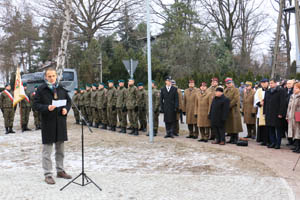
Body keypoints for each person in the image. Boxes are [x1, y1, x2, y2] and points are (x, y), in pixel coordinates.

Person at [33, 68, 72, 185]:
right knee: (47, 151)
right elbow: (35, 105)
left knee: (60, 150)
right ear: (45, 77)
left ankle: (60, 170)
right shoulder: (41, 90)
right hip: (48, 122)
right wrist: (46, 108)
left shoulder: (61, 88)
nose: (52, 78)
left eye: (54, 75)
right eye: (49, 76)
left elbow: (68, 102)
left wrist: (66, 109)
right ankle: (48, 174)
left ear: (56, 76)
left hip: (60, 122)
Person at [264, 79, 287, 149]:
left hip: (277, 113)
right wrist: (264, 112)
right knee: (270, 128)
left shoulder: (280, 91)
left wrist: (281, 113)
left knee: (278, 129)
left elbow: (283, 103)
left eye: (272, 83)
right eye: (270, 83)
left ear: (275, 83)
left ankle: (278, 143)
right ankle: (272, 142)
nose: (270, 84)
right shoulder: (267, 91)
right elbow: (265, 102)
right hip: (269, 113)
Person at [224, 78, 243, 144]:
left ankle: (235, 138)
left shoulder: (236, 90)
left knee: (235, 124)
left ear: (232, 83)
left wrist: (228, 106)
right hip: (227, 110)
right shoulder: (225, 90)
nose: (228, 84)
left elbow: (235, 99)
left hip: (234, 109)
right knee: (230, 125)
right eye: (227, 83)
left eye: (229, 83)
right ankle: (231, 138)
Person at [254, 79, 269, 145]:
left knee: (267, 125)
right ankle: (262, 139)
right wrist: (259, 103)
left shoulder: (270, 89)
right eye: (262, 83)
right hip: (261, 109)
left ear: (267, 83)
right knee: (261, 125)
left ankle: (268, 140)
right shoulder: (259, 90)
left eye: (264, 83)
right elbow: (256, 98)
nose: (263, 84)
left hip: (268, 109)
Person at [287, 82, 300, 153]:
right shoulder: (292, 96)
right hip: (291, 116)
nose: (294, 89)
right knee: (294, 131)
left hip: (298, 115)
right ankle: (296, 146)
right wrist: (287, 115)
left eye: (297, 88)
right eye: (294, 88)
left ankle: (298, 147)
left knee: (298, 131)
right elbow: (289, 107)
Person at [285, 79, 295, 145]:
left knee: (294, 128)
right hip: (286, 112)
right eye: (287, 83)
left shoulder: (294, 91)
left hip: (293, 112)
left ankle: (294, 141)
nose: (288, 85)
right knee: (286, 127)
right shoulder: (284, 91)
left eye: (290, 83)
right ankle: (290, 140)